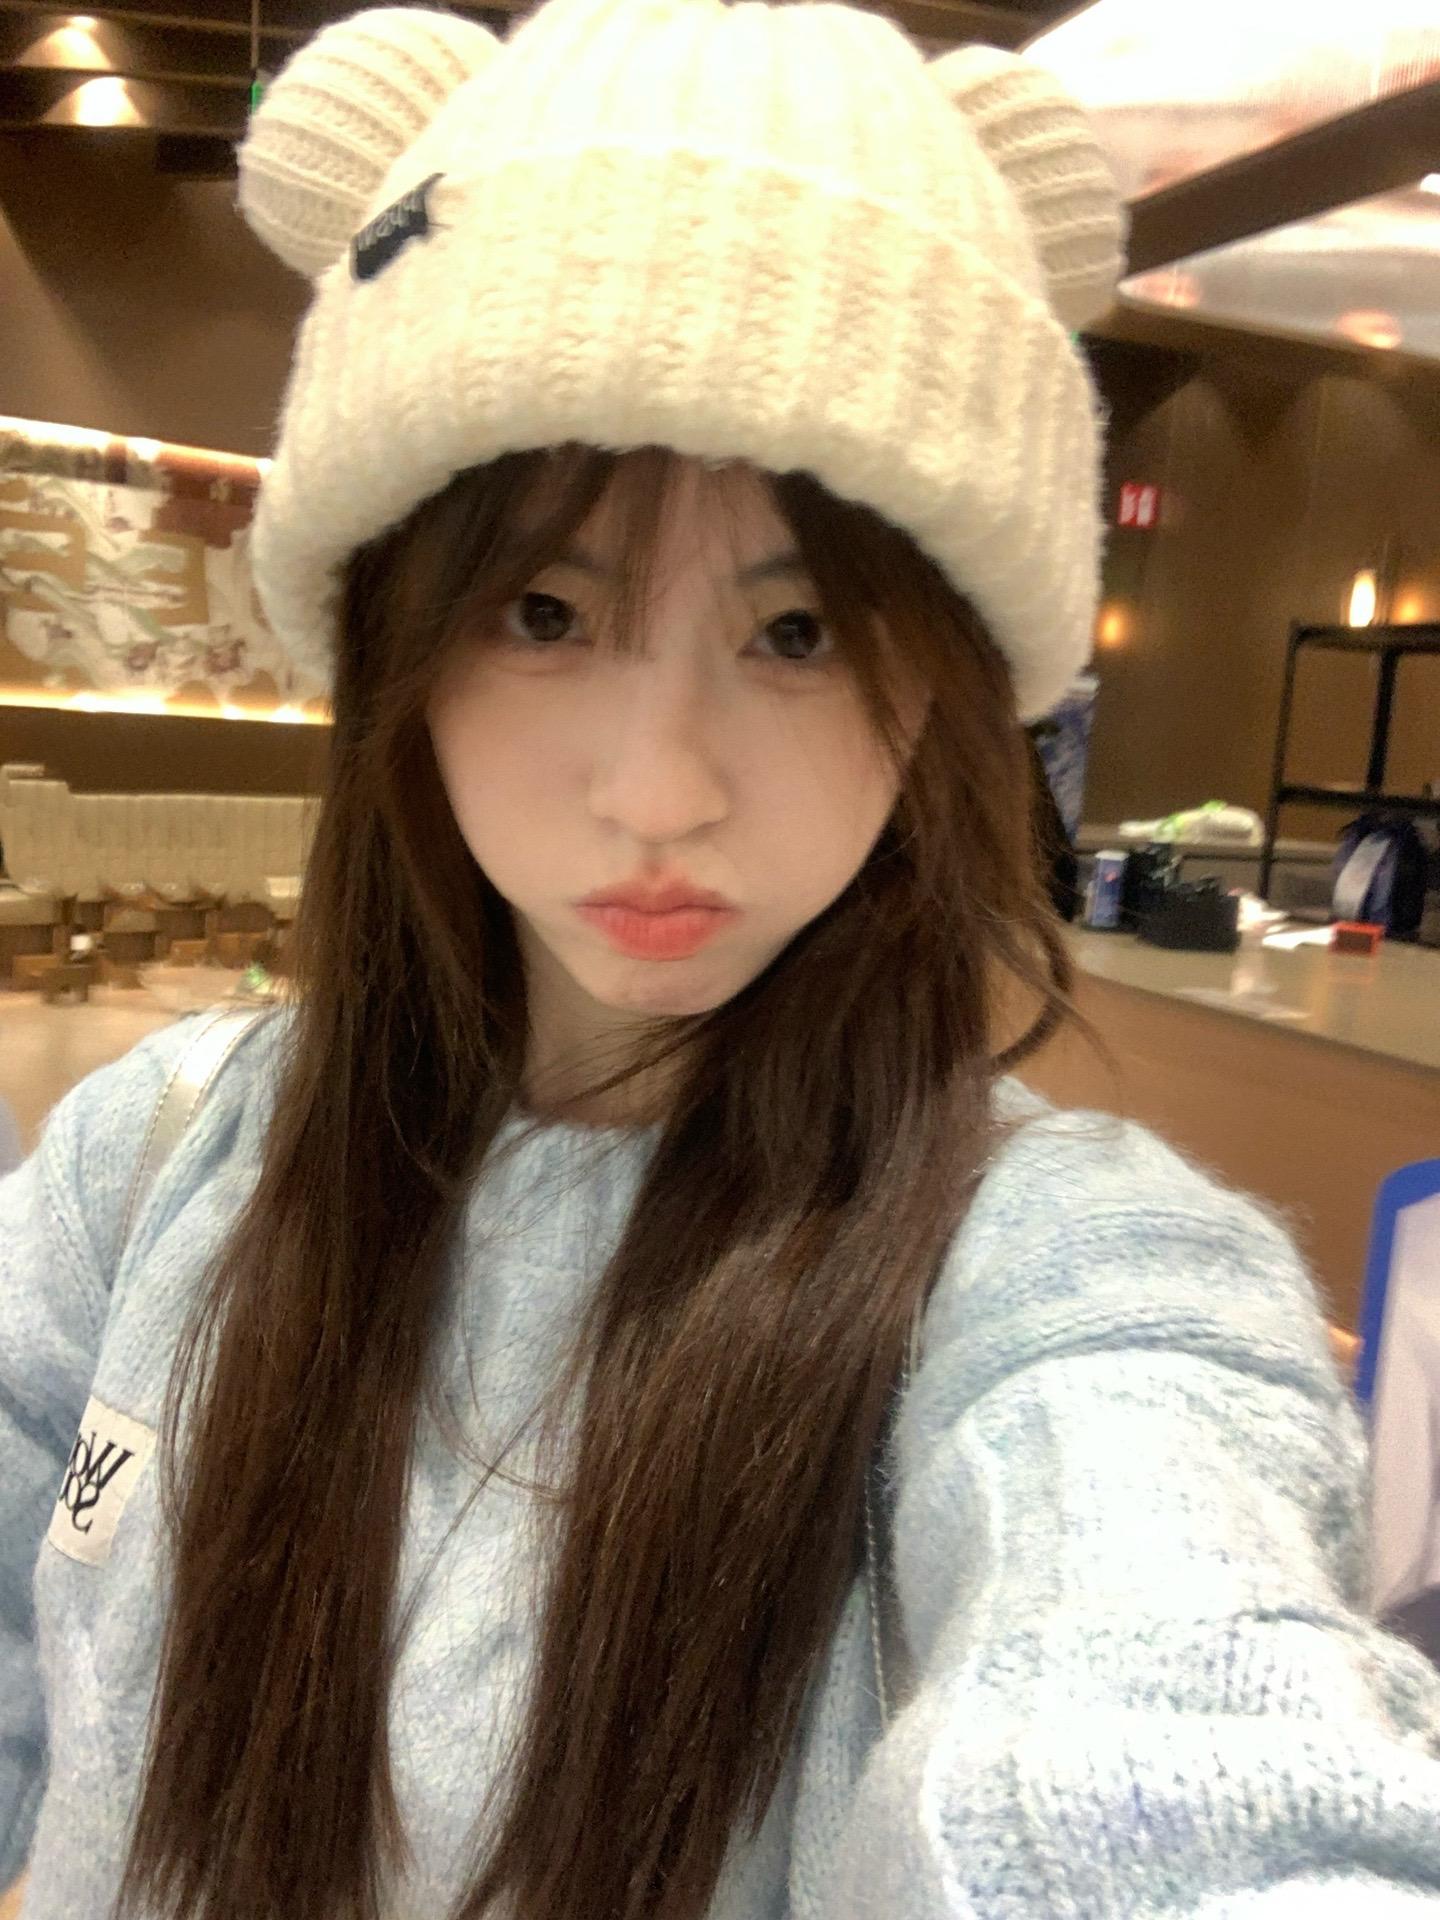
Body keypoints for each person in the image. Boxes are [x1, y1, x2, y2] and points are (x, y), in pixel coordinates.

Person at [4, 2, 1440, 1916]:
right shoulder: (151, 1163)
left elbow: (1174, 1736)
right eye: (546, 610)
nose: (662, 791)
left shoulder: (1060, 1272)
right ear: (400, 638)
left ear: (940, 691)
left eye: (797, 634)